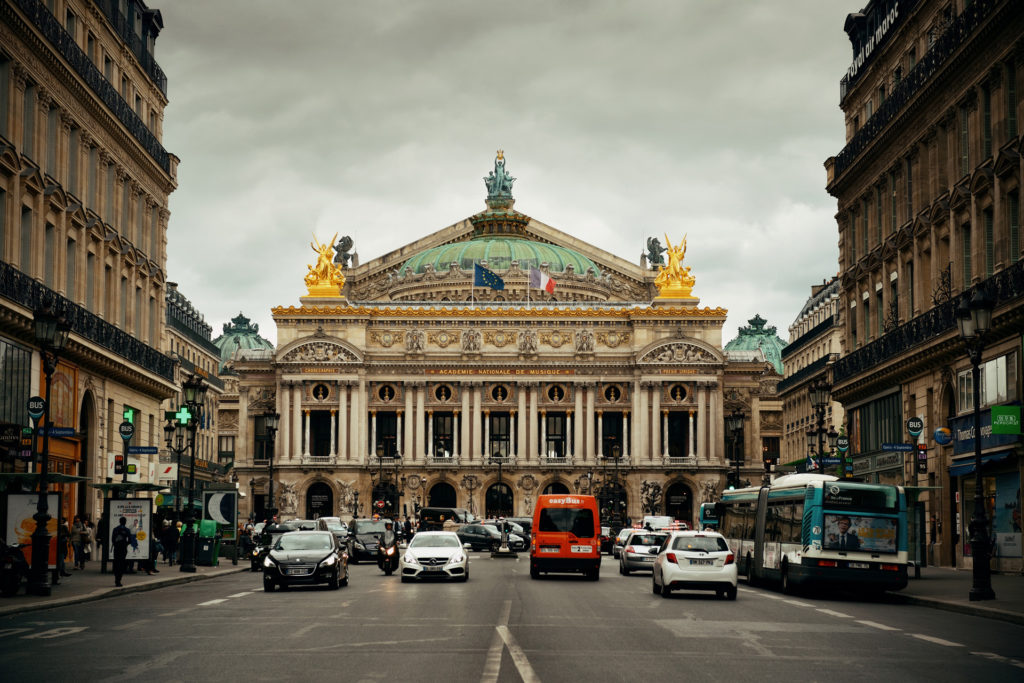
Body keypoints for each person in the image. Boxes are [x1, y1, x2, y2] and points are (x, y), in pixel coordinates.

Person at [111, 516, 138, 587]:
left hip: (116, 548)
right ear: (125, 522)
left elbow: (113, 539)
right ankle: (119, 580)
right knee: (121, 563)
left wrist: (116, 544)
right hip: (123, 548)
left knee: (116, 562)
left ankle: (116, 579)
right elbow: (129, 540)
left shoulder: (115, 529)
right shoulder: (127, 530)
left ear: (119, 521)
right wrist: (125, 544)